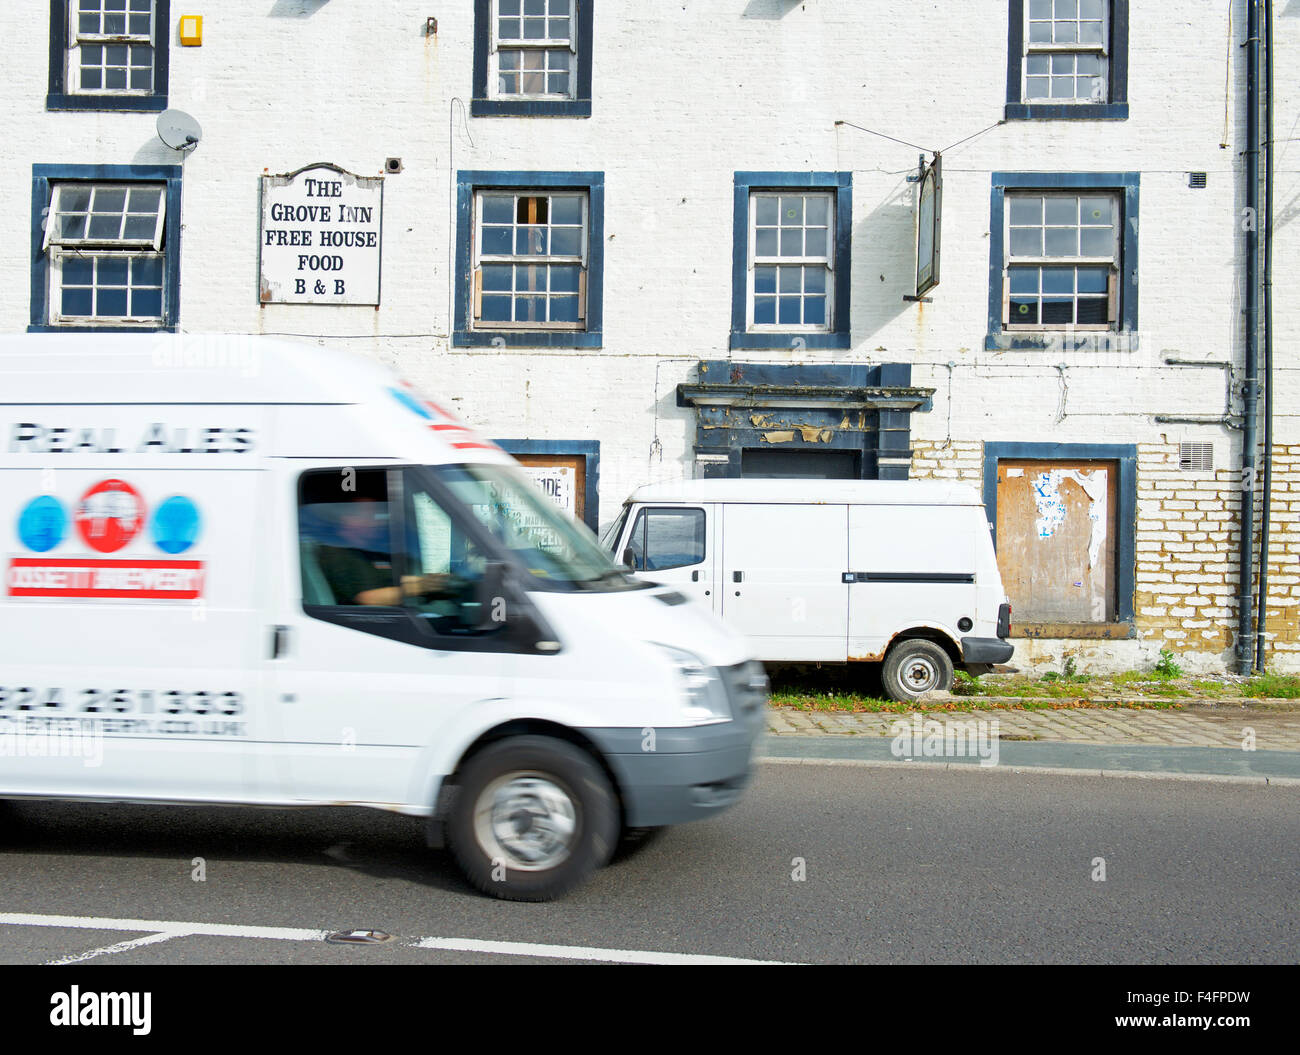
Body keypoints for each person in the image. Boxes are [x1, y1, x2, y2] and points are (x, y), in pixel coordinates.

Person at [316, 497, 455, 606]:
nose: (374, 520)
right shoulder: (335, 553)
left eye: (374, 513)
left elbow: (393, 580)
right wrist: (421, 586)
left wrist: (432, 582)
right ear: (346, 518)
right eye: (366, 514)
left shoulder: (369, 550)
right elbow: (366, 598)